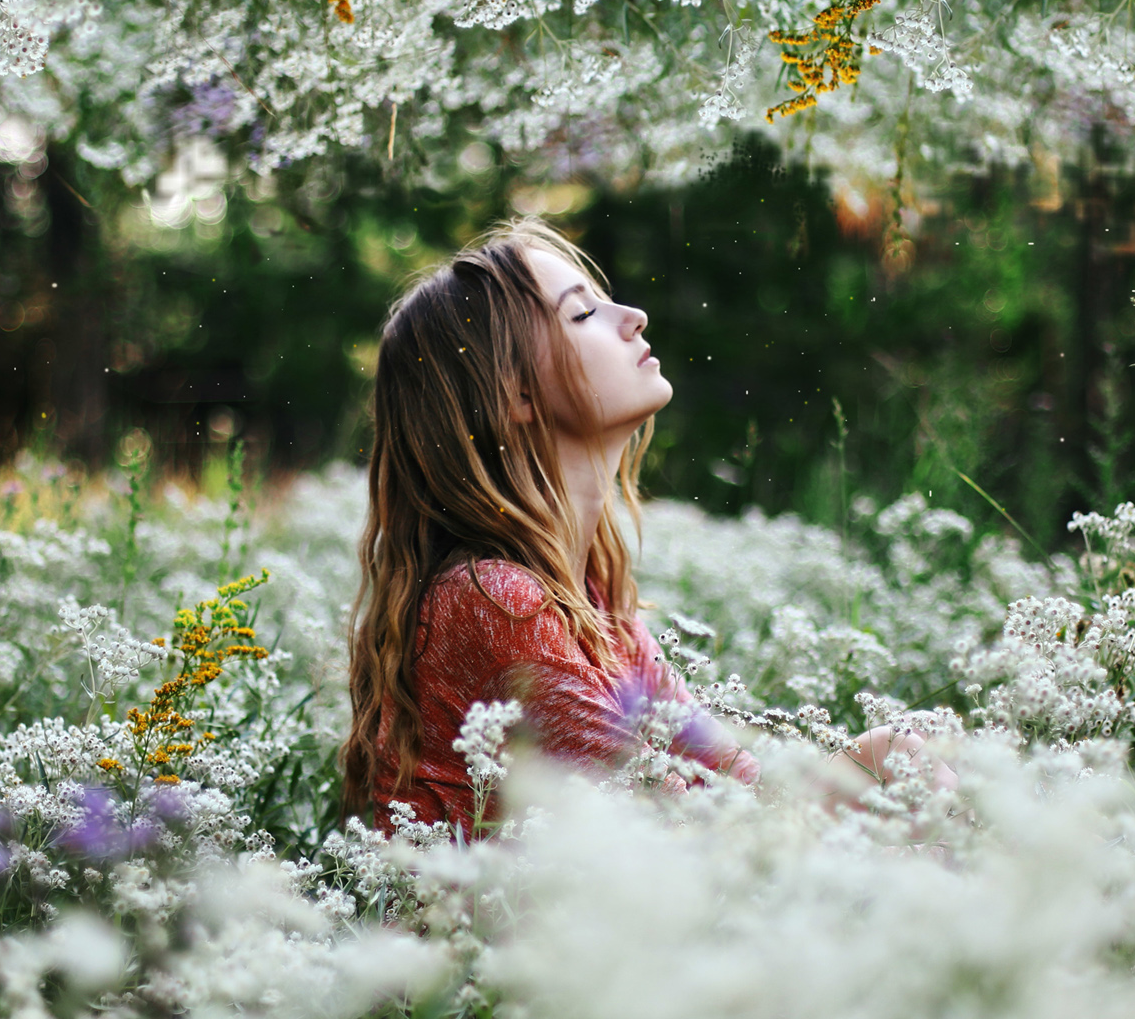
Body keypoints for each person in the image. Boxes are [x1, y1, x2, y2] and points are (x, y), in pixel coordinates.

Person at [340, 217, 941, 839]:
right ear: (514, 393)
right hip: (520, 930)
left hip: (645, 900)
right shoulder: (494, 602)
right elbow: (679, 828)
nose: (633, 316)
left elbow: (743, 784)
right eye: (583, 315)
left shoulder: (593, 601)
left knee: (897, 756)